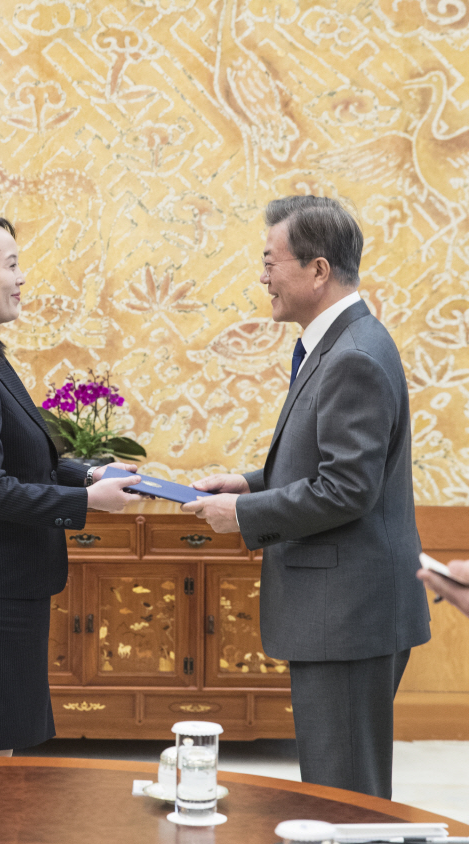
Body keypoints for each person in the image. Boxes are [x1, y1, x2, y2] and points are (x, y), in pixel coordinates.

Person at [182, 196, 431, 799]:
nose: (262, 276)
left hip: (347, 614)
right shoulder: (341, 343)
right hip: (344, 611)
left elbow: (346, 489)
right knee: (339, 789)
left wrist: (242, 514)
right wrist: (249, 483)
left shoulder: (354, 356)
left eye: (271, 261)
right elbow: (328, 466)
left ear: (318, 270)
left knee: (345, 797)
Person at [0, 213, 140, 757]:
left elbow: (21, 459)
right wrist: (86, 501)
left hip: (1, 592)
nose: (21, 278)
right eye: (10, 265)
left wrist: (90, 472)